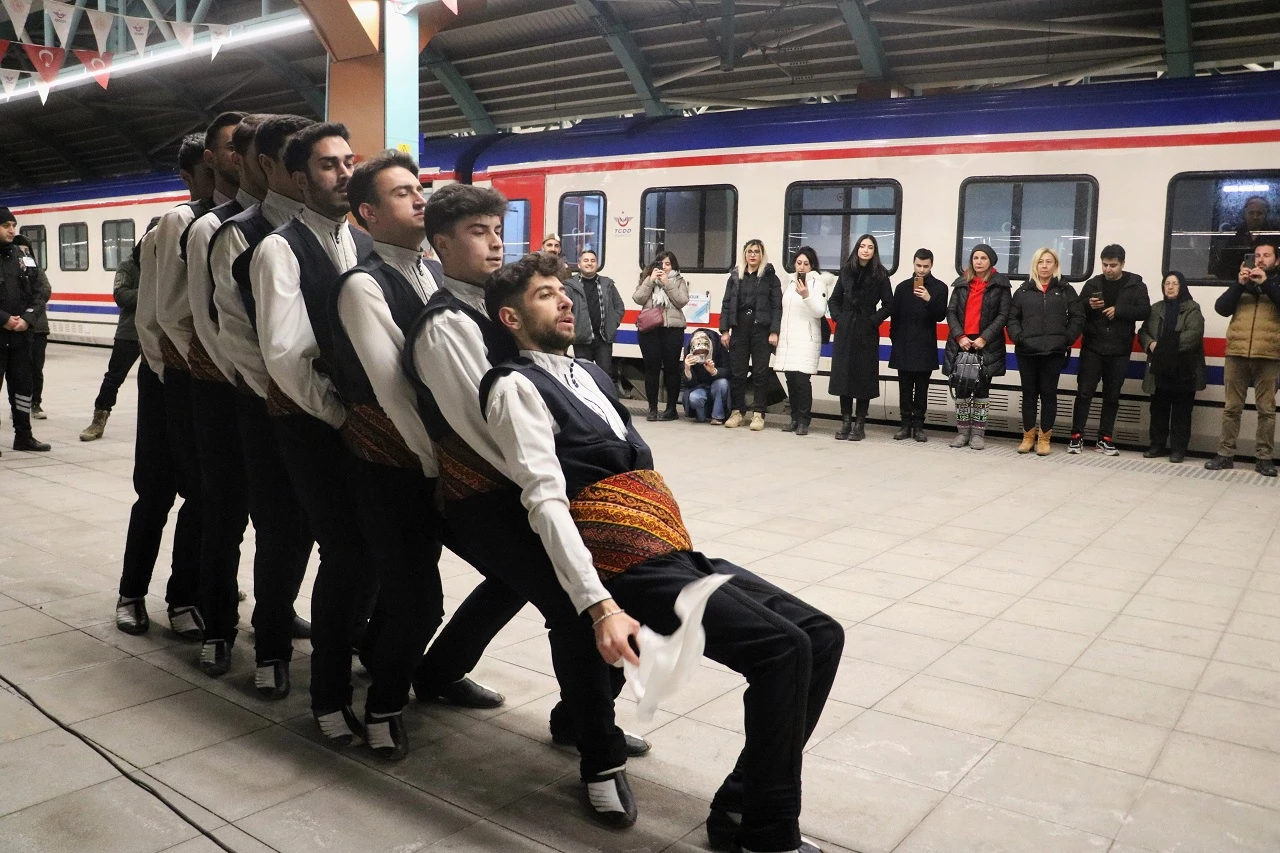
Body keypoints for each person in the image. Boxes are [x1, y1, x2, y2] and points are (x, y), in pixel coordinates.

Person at [480, 252, 843, 853]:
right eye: (546, 294)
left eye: (563, 290)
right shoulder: (515, 386)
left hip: (667, 548)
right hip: (623, 563)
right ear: (511, 319)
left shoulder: (591, 377)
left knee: (820, 634)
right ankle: (763, 832)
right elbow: (544, 501)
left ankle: (738, 806)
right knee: (781, 650)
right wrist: (598, 606)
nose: (565, 300)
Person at [403, 183, 643, 827]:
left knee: (516, 584)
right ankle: (598, 752)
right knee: (574, 604)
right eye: (477, 231)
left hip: (525, 484)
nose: (493, 240)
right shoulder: (446, 324)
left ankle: (442, 671)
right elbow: (484, 433)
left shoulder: (492, 308)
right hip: (482, 493)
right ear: (441, 244)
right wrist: (565, 484)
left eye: (496, 227)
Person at [207, 114, 316, 697]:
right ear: (271, 168)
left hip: (323, 407)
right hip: (267, 404)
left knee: (315, 528)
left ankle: (287, 613)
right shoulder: (239, 234)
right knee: (277, 525)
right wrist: (279, 389)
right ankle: (268, 645)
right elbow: (232, 332)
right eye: (309, 165)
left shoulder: (335, 233)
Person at [115, 138, 211, 637]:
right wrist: (168, 377)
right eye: (210, 167)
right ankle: (131, 593)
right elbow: (153, 319)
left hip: (208, 387)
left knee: (201, 495)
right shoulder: (169, 227)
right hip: (167, 383)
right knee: (154, 493)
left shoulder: (242, 227)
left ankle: (183, 598)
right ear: (190, 176)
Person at [1204, 237, 1280, 476]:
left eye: (1266, 255)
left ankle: (1264, 458)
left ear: (1276, 260)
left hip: (1268, 354)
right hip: (1237, 352)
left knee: (1266, 409)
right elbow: (1221, 308)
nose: (1260, 260)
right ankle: (1225, 454)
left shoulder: (1276, 284)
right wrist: (1239, 284)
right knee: (1231, 407)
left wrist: (1266, 283)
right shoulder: (1242, 285)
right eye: (1257, 255)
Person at [1068, 245, 1150, 456]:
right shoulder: (1092, 283)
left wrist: (1120, 311)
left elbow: (1144, 310)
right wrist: (1089, 305)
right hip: (1092, 347)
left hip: (1120, 349)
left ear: (1122, 264)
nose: (1108, 269)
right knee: (1084, 392)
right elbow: (1076, 308)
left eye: (1113, 265)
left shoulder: (1136, 285)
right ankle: (1076, 436)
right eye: (1105, 265)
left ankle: (1105, 438)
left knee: (1112, 396)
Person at [1007, 247, 1084, 456]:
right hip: (1026, 352)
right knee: (1029, 394)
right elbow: (1012, 318)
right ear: (1035, 265)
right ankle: (1028, 437)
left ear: (1055, 265)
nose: (1044, 266)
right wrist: (1019, 338)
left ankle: (1044, 438)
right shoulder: (1023, 291)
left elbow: (1078, 317)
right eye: (1041, 262)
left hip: (1054, 353)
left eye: (1049, 262)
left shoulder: (1066, 291)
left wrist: (1066, 339)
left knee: (1049, 395)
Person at [944, 244, 1011, 450]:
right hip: (961, 344)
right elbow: (951, 312)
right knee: (962, 388)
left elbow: (1003, 315)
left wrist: (984, 338)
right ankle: (963, 433)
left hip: (986, 345)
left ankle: (978, 435)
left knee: (982, 390)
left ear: (991, 261)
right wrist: (960, 336)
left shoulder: (1000, 285)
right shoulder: (961, 283)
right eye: (975, 258)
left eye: (983, 258)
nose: (979, 262)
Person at [827, 234, 892, 441]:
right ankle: (846, 422)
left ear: (875, 251)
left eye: (870, 247)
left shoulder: (880, 274)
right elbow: (834, 299)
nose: (865, 250)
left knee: (863, 377)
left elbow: (889, 304)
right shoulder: (846, 271)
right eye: (862, 246)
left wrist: (873, 321)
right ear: (856, 249)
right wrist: (839, 317)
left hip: (866, 330)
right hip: (845, 330)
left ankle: (860, 424)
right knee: (843, 376)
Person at [81, 237, 145, 441]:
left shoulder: (168, 261)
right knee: (114, 377)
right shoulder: (129, 264)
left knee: (157, 380)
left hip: (159, 330)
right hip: (130, 331)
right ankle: (98, 419)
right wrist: (151, 292)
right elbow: (121, 296)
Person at [0, 207, 51, 453]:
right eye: (6, 226)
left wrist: (28, 319)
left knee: (23, 387)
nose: (12, 230)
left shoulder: (23, 257)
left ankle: (24, 436)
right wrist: (4, 319)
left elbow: (40, 290)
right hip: (1, 334)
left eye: (13, 225)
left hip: (20, 337)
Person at [1140, 272, 1205, 464]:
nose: (1170, 287)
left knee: (1181, 412)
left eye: (1175, 284)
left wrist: (1162, 347)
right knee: (1158, 409)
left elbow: (1193, 336)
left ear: (1182, 286)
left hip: (1184, 370)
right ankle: (1157, 445)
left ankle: (1178, 449)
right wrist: (1150, 343)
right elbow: (1143, 332)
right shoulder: (1155, 309)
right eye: (1167, 283)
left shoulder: (1192, 309)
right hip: (1160, 369)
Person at [720, 240, 782, 431]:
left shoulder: (770, 277)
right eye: (749, 251)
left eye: (756, 252)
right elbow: (726, 304)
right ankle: (737, 412)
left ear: (762, 255)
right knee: (737, 373)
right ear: (744, 254)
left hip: (761, 330)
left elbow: (776, 306)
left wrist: (774, 331)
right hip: (739, 328)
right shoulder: (735, 277)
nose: (753, 255)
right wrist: (724, 331)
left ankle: (758, 414)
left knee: (760, 373)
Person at [888, 249, 946, 442]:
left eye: (925, 266)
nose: (921, 270)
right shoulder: (903, 287)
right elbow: (894, 317)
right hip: (903, 344)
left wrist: (929, 299)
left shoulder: (940, 288)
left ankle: (919, 426)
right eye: (918, 265)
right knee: (904, 388)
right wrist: (894, 339)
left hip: (925, 345)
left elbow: (940, 316)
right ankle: (905, 425)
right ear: (913, 264)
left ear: (932, 265)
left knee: (922, 389)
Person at [774, 247, 829, 436]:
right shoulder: (789, 283)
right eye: (799, 263)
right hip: (789, 339)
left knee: (802, 381)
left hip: (806, 339)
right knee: (790, 379)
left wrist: (806, 295)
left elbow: (819, 311)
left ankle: (804, 420)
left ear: (812, 265)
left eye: (806, 264)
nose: (802, 267)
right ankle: (794, 418)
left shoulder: (818, 284)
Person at [635, 252, 689, 422]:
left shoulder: (679, 281)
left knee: (672, 370)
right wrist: (650, 281)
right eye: (661, 264)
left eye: (668, 264)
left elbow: (682, 301)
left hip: (672, 330)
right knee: (651, 369)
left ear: (673, 266)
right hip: (649, 330)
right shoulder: (647, 278)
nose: (664, 267)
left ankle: (671, 409)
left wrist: (667, 284)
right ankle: (652, 409)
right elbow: (638, 298)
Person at [8, 235, 49, 421]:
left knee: (35, 368)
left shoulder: (35, 270)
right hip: (13, 328)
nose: (23, 253)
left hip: (37, 327)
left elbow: (44, 290)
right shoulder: (8, 272)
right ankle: (16, 407)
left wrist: (29, 315)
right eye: (19, 250)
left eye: (26, 250)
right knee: (15, 374)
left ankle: (35, 404)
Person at [565, 248, 623, 376]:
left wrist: (612, 325)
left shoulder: (607, 284)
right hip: (581, 340)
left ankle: (605, 397)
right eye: (586, 260)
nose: (589, 263)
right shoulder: (570, 286)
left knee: (605, 375)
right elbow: (564, 310)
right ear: (579, 264)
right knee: (584, 376)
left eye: (593, 260)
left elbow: (619, 306)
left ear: (597, 265)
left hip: (603, 339)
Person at [1210, 196, 1277, 280]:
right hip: (1238, 281)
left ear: (1265, 215)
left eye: (1259, 213)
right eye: (1251, 213)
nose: (1255, 217)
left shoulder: (1274, 234)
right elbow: (1225, 260)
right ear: (1244, 214)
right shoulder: (1236, 235)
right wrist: (1216, 275)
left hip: (1269, 281)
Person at [681, 327, 730, 424]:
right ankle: (700, 417)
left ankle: (717, 417)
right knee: (694, 398)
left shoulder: (718, 348)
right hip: (699, 387)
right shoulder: (689, 352)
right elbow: (690, 385)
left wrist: (714, 371)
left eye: (703, 353)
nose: (700, 355)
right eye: (697, 353)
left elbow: (728, 372)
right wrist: (687, 369)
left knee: (722, 383)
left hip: (716, 385)